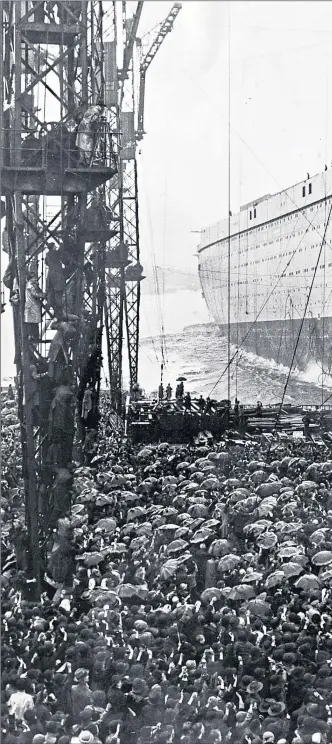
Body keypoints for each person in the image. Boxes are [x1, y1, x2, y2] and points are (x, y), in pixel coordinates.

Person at [76, 100, 106, 166]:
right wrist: (100, 122)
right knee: (88, 147)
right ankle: (88, 163)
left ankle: (82, 161)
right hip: (88, 131)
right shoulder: (97, 112)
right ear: (101, 107)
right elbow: (93, 121)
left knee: (82, 146)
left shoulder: (90, 109)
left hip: (81, 129)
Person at [24, 270, 45, 343]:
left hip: (32, 306)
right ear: (31, 278)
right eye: (34, 277)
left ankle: (33, 336)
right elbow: (35, 293)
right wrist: (44, 295)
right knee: (33, 323)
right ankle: (33, 336)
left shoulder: (31, 284)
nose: (35, 279)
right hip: (32, 306)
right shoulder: (30, 285)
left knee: (33, 323)